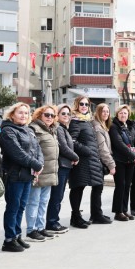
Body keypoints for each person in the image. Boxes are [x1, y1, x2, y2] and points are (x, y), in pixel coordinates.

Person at [0, 102, 44, 251]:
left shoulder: (28, 130)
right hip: (14, 176)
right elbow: (17, 153)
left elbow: (38, 149)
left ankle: (17, 236)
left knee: (21, 207)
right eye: (20, 112)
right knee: (13, 207)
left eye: (26, 113)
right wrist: (35, 164)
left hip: (27, 176)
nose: (23, 115)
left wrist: (39, 164)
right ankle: (9, 239)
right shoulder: (8, 131)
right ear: (12, 114)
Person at [68, 96, 106, 227]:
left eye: (86, 104)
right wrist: (87, 150)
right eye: (81, 104)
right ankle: (75, 217)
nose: (84, 106)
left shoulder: (88, 121)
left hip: (92, 160)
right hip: (81, 161)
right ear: (76, 105)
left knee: (95, 186)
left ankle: (96, 214)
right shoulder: (75, 121)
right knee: (78, 188)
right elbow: (72, 141)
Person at [25, 105, 59, 241]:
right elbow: (32, 150)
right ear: (39, 115)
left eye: (52, 115)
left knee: (44, 202)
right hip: (39, 172)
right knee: (34, 202)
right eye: (47, 115)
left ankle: (40, 227)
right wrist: (36, 167)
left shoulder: (51, 130)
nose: (50, 117)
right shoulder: (34, 128)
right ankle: (31, 230)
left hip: (50, 172)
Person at [46, 104, 78, 233]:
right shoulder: (59, 128)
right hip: (61, 166)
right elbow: (63, 148)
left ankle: (53, 220)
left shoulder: (64, 128)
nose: (66, 116)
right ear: (57, 115)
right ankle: (52, 222)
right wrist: (76, 157)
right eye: (63, 113)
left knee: (58, 195)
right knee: (56, 195)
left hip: (65, 165)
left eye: (68, 114)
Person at [109, 105, 135, 221]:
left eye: (125, 113)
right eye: (121, 113)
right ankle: (118, 212)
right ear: (117, 114)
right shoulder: (114, 127)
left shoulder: (130, 126)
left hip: (130, 161)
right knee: (120, 186)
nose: (123, 115)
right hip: (119, 160)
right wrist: (134, 156)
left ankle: (124, 210)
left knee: (127, 185)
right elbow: (119, 144)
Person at [92, 104, 117, 218]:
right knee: (98, 189)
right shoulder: (98, 128)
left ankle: (97, 213)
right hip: (99, 162)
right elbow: (102, 148)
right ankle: (97, 215)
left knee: (98, 189)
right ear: (98, 112)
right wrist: (111, 164)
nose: (106, 113)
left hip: (100, 161)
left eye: (107, 111)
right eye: (103, 111)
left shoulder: (103, 126)